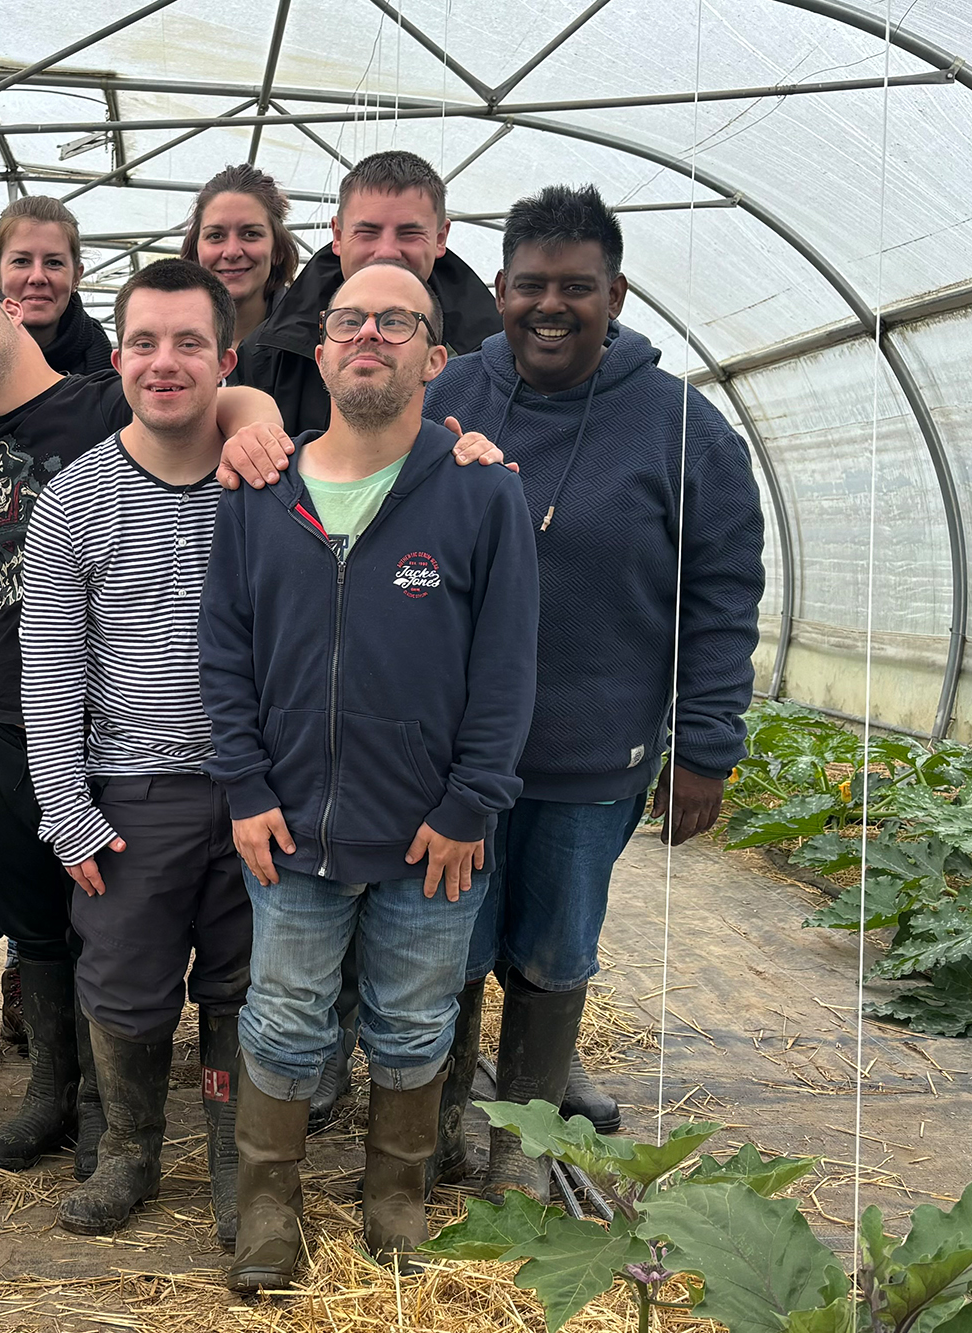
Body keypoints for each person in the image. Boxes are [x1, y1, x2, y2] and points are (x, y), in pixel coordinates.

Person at [0, 276, 286, 1183]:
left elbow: (213, 387)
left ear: (9, 309)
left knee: (113, 924)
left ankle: (119, 1122)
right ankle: (54, 1093)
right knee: (33, 917)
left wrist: (257, 415)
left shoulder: (105, 395)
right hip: (5, 711)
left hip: (123, 727)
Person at [412, 185, 765, 1200]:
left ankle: (519, 1141)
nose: (549, 306)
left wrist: (704, 744)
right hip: (451, 762)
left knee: (552, 952)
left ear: (614, 293)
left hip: (590, 751)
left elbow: (719, 589)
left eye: (576, 287)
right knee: (446, 949)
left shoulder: (679, 425)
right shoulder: (449, 402)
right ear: (498, 289)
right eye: (530, 286)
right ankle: (438, 1128)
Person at [200, 260, 540, 1284]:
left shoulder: (480, 494)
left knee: (412, 1016)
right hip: (293, 825)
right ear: (320, 350)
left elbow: (507, 666)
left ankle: (394, 1195)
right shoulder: (262, 491)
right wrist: (247, 790)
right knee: (285, 1016)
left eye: (396, 321)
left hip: (428, 835)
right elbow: (223, 652)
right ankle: (268, 1207)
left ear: (434, 357)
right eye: (349, 318)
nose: (369, 335)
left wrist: (469, 802)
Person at [20, 259, 251, 1246]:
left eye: (188, 342)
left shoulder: (261, 486)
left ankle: (240, 1159)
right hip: (129, 797)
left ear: (223, 360)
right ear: (116, 359)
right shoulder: (72, 500)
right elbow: (49, 670)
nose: (165, 362)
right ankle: (128, 1150)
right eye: (145, 343)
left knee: (245, 987)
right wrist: (67, 809)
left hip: (253, 794)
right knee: (122, 983)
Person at [235, 149, 501, 436]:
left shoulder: (492, 359)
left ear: (440, 238)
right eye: (367, 232)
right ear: (337, 236)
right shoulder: (268, 353)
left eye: (409, 233)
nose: (386, 251)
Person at [179, 164, 297, 361]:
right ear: (195, 250)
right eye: (215, 236)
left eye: (251, 234)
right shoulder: (164, 344)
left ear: (277, 250)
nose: (232, 252)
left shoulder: (311, 347)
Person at [0, 195, 113, 377]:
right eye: (21, 261)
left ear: (76, 276)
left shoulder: (107, 373)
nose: (37, 277)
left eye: (54, 263)